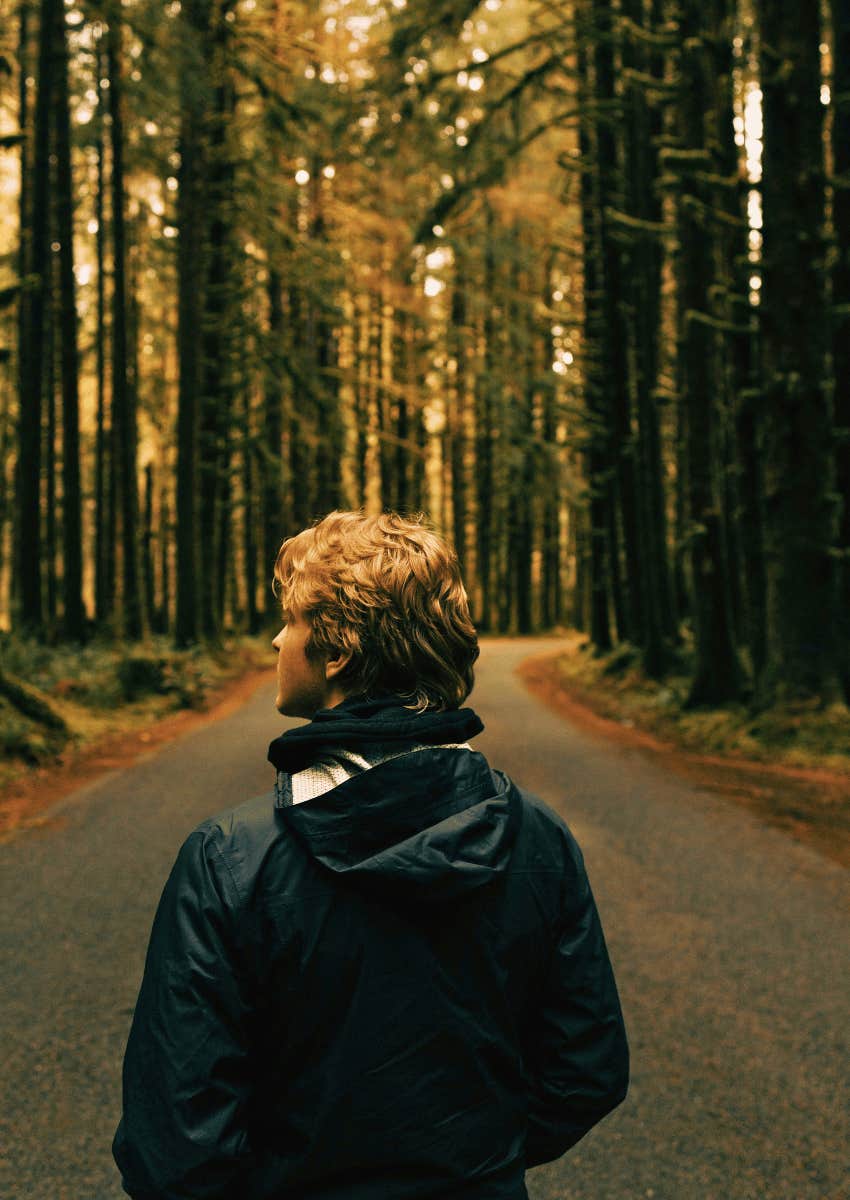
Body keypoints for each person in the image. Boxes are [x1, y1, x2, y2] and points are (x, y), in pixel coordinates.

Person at [113, 509, 629, 1200]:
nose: (274, 638)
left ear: (338, 652)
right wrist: (472, 1159)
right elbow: (583, 1072)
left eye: (289, 621)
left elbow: (175, 1142)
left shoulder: (230, 858)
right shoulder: (538, 837)